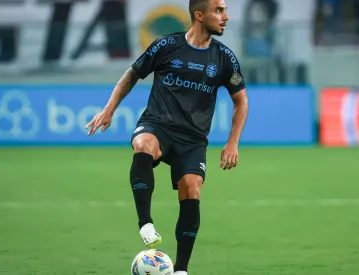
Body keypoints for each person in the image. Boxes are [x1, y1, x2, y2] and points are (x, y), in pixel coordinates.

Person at [85, 0, 248, 274]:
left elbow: (241, 101)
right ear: (199, 15)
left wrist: (232, 142)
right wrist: (109, 109)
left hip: (193, 138)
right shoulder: (166, 46)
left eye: (225, 10)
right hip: (158, 125)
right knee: (143, 144)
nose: (225, 17)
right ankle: (145, 224)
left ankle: (181, 269)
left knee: (192, 187)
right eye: (219, 11)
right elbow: (131, 75)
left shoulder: (224, 58)